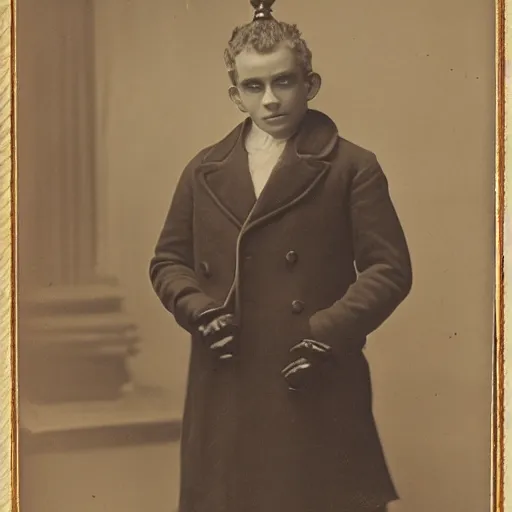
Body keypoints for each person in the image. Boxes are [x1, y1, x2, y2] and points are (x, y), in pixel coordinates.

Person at [149, 1, 412, 511]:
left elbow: (389, 269)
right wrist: (200, 311)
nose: (270, 100)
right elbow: (167, 261)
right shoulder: (205, 170)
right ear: (235, 94)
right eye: (254, 86)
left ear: (310, 84)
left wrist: (325, 333)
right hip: (226, 379)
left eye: (284, 82)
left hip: (312, 373)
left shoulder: (351, 166)